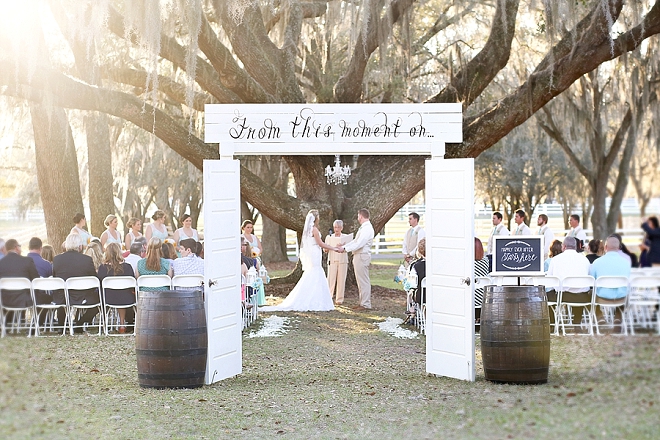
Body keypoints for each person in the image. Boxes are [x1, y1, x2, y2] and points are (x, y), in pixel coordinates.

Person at [261, 210, 337, 312]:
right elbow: (320, 243)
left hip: (315, 252)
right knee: (315, 272)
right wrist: (334, 248)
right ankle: (314, 299)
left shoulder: (310, 230)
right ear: (316, 218)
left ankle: (315, 297)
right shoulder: (314, 229)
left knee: (314, 272)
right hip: (315, 252)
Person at [52, 233, 100, 332]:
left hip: (62, 296)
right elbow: (93, 279)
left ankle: (62, 326)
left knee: (61, 291)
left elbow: (55, 277)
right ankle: (80, 322)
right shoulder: (86, 260)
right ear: (80, 246)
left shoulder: (57, 259)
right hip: (82, 296)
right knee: (100, 300)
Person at [546, 237, 591, 327]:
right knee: (580, 292)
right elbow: (589, 278)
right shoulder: (585, 260)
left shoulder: (556, 260)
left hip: (562, 296)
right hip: (582, 297)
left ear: (564, 246)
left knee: (547, 295)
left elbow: (549, 280)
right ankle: (576, 324)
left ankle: (553, 323)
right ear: (575, 247)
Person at [338, 208, 375, 310]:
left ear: (361, 216)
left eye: (358, 216)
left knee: (363, 281)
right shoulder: (364, 228)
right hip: (359, 255)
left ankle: (365, 304)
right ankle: (362, 302)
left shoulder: (367, 228)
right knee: (360, 280)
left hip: (362, 256)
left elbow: (359, 243)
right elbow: (355, 241)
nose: (358, 218)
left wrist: (345, 249)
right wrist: (345, 246)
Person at [590, 235, 632, 325]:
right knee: (624, 290)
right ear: (619, 247)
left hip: (602, 297)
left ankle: (599, 315)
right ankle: (618, 317)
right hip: (622, 298)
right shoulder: (626, 263)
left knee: (589, 293)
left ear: (605, 247)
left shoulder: (597, 262)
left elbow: (591, 281)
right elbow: (629, 281)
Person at [97, 243, 136, 333]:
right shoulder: (127, 267)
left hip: (108, 299)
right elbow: (132, 285)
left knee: (115, 294)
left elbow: (99, 284)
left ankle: (105, 324)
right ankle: (122, 324)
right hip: (126, 299)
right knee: (122, 294)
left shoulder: (102, 268)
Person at [325, 220, 352, 305]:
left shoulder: (345, 237)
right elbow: (325, 250)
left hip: (343, 261)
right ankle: (329, 297)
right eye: (335, 227)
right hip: (332, 260)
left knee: (341, 280)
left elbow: (349, 248)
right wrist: (332, 247)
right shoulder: (329, 237)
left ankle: (339, 300)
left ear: (342, 228)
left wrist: (343, 245)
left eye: (338, 227)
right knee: (331, 280)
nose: (336, 229)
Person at [474, 237, 489, 324]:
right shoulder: (485, 261)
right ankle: (478, 317)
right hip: (483, 298)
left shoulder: (467, 262)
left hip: (471, 298)